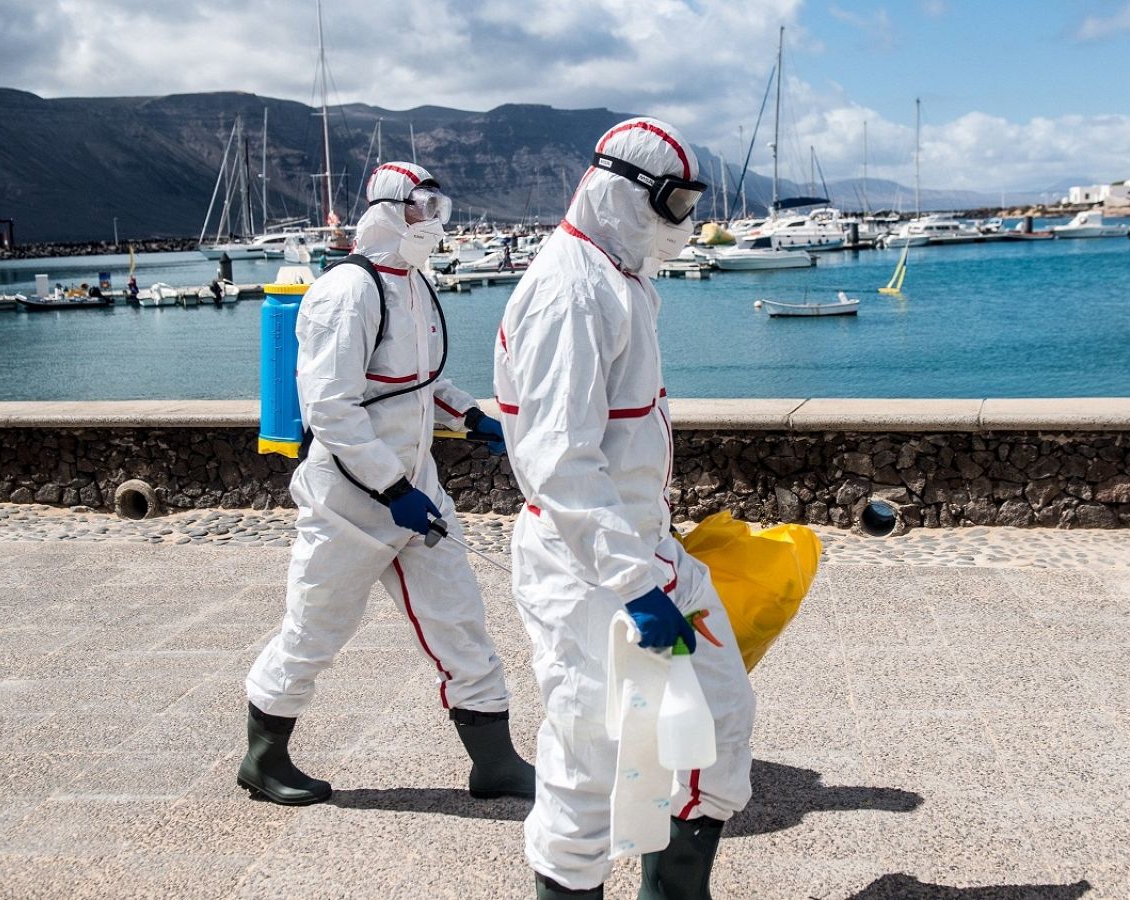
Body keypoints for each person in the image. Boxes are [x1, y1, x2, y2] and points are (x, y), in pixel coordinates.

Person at [494, 118, 755, 899]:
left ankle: (675, 891)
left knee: (722, 712)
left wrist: (650, 566)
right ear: (620, 189)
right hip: (588, 568)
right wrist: (635, 586)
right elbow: (560, 462)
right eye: (672, 201)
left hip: (642, 552)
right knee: (586, 759)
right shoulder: (572, 292)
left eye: (690, 202)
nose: (682, 221)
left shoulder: (617, 277)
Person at [241, 161, 533, 806]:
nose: (432, 221)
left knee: (460, 619)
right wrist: (390, 488)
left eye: (439, 208)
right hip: (346, 498)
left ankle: (496, 763)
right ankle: (263, 759)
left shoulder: (416, 285)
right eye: (421, 207)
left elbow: (421, 384)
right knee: (315, 628)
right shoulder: (346, 291)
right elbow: (331, 409)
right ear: (387, 209)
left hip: (415, 486)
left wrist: (475, 417)